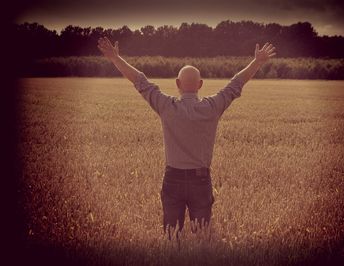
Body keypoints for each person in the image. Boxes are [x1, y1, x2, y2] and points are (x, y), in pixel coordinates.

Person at [97, 37, 276, 238]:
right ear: (200, 84)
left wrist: (115, 58)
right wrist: (257, 62)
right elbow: (236, 84)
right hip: (201, 180)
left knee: (172, 238)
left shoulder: (166, 106)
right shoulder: (212, 107)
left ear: (177, 84)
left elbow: (140, 81)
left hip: (172, 178)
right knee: (202, 238)